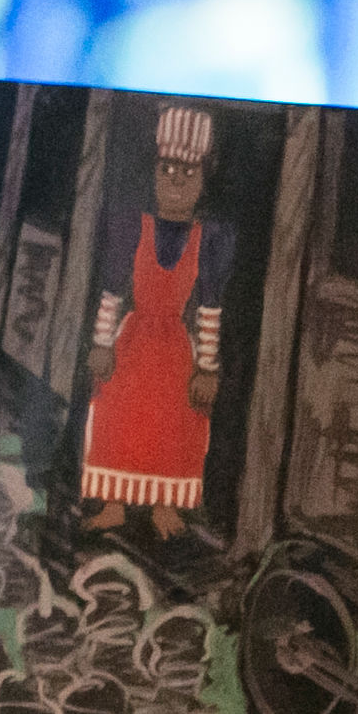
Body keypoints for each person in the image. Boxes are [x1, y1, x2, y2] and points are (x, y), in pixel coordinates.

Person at [80, 104, 236, 540]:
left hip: (174, 349)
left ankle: (164, 506)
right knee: (116, 411)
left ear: (202, 181)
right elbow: (112, 289)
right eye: (167, 169)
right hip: (132, 341)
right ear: (155, 171)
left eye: (187, 173)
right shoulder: (134, 227)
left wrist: (206, 367)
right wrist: (102, 342)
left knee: (176, 421)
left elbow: (209, 309)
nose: (175, 180)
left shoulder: (209, 241)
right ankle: (113, 503)